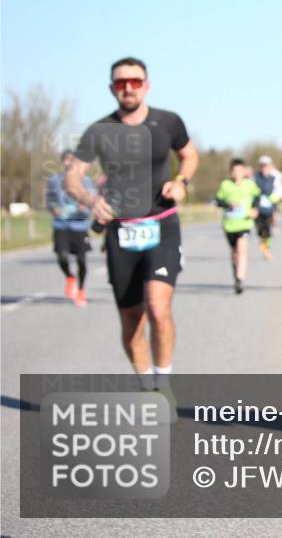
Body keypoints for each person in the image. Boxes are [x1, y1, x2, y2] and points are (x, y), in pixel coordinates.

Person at [66, 56, 199, 403]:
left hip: (161, 224)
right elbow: (72, 177)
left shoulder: (168, 122)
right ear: (112, 89)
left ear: (147, 85)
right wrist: (89, 200)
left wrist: (182, 181)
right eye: (121, 83)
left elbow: (190, 156)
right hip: (121, 232)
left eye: (135, 82)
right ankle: (145, 387)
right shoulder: (99, 130)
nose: (128, 88)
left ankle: (164, 384)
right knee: (132, 321)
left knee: (158, 307)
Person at [46, 150, 96, 307]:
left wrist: (85, 206)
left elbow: (92, 200)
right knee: (62, 256)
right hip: (61, 224)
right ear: (62, 162)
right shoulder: (54, 180)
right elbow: (50, 199)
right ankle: (70, 276)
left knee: (82, 260)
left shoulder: (86, 181)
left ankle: (81, 290)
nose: (69, 163)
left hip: (80, 225)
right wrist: (53, 208)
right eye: (66, 160)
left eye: (72, 160)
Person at [215, 158, 260, 294]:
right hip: (229, 225)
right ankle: (236, 274)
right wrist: (229, 204)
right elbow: (218, 201)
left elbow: (257, 197)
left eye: (240, 170)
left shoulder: (250, 184)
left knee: (242, 250)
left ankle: (240, 280)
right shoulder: (225, 185)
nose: (237, 173)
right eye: (235, 171)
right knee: (234, 252)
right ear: (231, 172)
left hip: (245, 223)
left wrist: (255, 209)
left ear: (244, 171)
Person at [253, 155, 282, 260]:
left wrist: (275, 196)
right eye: (262, 166)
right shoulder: (255, 178)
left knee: (267, 232)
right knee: (261, 232)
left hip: (269, 209)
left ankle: (266, 250)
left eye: (266, 166)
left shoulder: (274, 178)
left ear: (270, 166)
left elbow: (280, 191)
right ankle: (265, 249)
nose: (264, 168)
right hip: (258, 209)